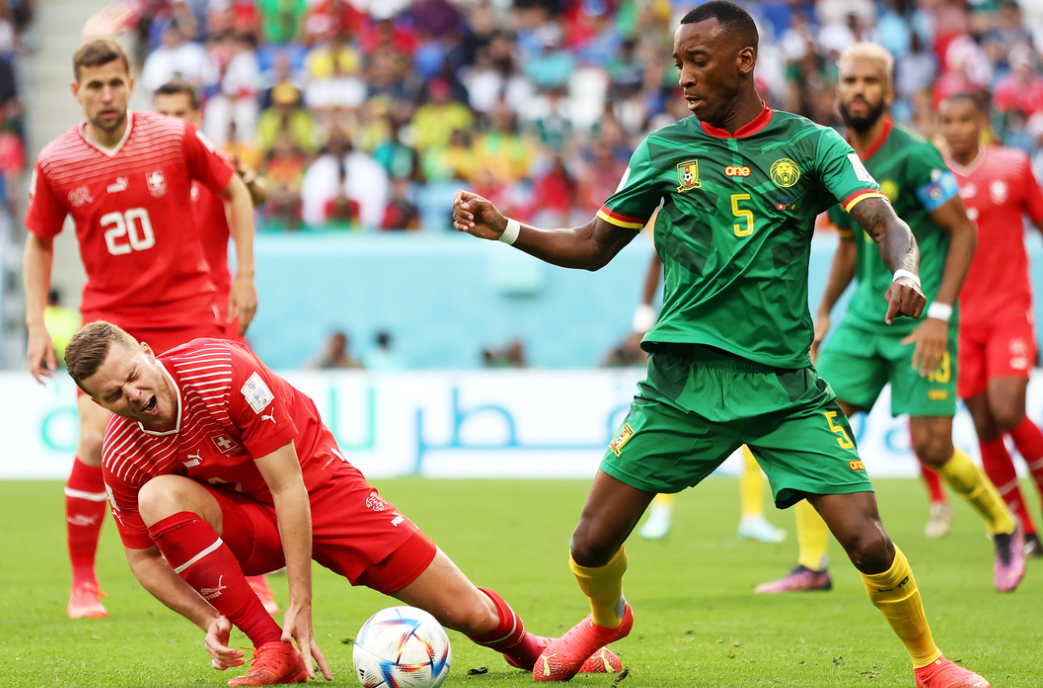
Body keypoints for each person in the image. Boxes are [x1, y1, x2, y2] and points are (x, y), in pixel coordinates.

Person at [453, 4, 992, 686]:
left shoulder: (811, 146)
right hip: (680, 386)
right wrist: (508, 230)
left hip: (782, 388)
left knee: (866, 539)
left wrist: (907, 270)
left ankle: (928, 663)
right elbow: (592, 248)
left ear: (744, 61)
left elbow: (884, 220)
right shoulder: (663, 151)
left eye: (697, 60)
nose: (682, 76)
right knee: (589, 544)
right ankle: (604, 619)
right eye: (678, 62)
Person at [63, 322, 621, 686]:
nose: (132, 396)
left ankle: (529, 647)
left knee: (468, 612)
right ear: (94, 400)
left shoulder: (226, 372)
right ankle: (274, 654)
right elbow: (142, 560)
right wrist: (209, 616)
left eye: (133, 376)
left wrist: (300, 600)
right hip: (250, 523)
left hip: (321, 488)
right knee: (159, 496)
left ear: (145, 351)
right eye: (113, 395)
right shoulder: (123, 453)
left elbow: (289, 488)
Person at [758, 42, 1023, 597]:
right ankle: (813, 565)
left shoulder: (915, 156)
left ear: (888, 91)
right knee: (815, 431)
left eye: (869, 82)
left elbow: (963, 231)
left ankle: (1004, 525)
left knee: (932, 448)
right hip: (862, 318)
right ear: (838, 89)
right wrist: (824, 312)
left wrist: (940, 315)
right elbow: (852, 249)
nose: (857, 90)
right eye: (849, 81)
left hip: (919, 320)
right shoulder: (833, 155)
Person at [23, 38, 258, 619]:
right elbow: (39, 240)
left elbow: (235, 190)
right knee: (94, 438)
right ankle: (84, 583)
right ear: (76, 92)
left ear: (130, 83)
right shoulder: (56, 161)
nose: (106, 94)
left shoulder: (173, 136)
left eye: (115, 82)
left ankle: (251, 571)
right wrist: (34, 322)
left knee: (226, 433)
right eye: (94, 86)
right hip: (111, 320)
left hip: (187, 311)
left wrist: (245, 276)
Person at [152, 79, 278, 610]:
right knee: (173, 446)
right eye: (161, 114)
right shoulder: (146, 172)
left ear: (196, 113)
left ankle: (256, 571)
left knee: (240, 439)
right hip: (164, 317)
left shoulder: (212, 161)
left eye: (179, 112)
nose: (170, 121)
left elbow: (258, 192)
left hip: (218, 314)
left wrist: (251, 183)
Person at [939, 92, 1043, 557]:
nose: (957, 128)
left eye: (965, 120)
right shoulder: (934, 177)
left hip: (1008, 313)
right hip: (960, 321)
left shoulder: (1014, 167)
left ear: (981, 122)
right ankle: (1020, 529)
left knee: (1007, 411)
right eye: (948, 121)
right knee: (983, 425)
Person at [634, 247, 785, 544]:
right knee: (672, 418)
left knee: (750, 419)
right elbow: (657, 256)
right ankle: (660, 511)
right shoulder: (684, 210)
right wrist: (644, 312)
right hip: (686, 332)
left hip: (737, 333)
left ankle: (753, 515)